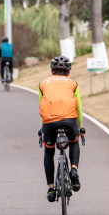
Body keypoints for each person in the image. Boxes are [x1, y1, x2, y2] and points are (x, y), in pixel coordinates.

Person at [38, 56, 84, 202]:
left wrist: (42, 127)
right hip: (70, 120)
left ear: (51, 71)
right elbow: (78, 107)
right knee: (74, 142)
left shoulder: (43, 84)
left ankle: (51, 188)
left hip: (49, 122)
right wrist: (80, 125)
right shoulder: (73, 84)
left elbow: (42, 106)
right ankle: (74, 169)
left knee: (49, 151)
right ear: (68, 72)